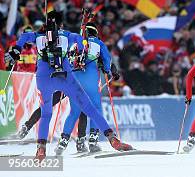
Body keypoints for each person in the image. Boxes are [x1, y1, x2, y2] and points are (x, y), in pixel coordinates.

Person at [5, 11, 132, 160]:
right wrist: (82, 48)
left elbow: (25, 36)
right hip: (65, 77)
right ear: (62, 24)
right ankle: (112, 139)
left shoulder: (38, 36)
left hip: (44, 78)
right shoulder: (67, 35)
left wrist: (16, 49)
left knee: (46, 113)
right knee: (90, 108)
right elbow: (81, 40)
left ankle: (41, 149)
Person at [55, 22, 117, 155]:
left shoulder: (76, 42)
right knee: (96, 110)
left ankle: (63, 142)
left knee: (74, 112)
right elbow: (107, 61)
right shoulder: (99, 43)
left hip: (75, 80)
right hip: (90, 80)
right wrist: (107, 70)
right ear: (95, 32)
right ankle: (93, 140)